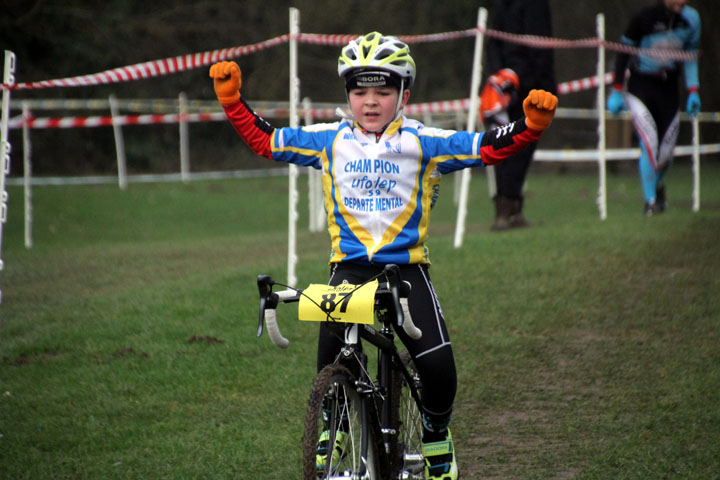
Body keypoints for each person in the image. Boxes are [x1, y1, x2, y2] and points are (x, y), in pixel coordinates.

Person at [209, 32, 557, 480]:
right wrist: (232, 100)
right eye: (359, 91)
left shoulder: (422, 141)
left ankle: (435, 433)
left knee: (437, 367)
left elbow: (485, 147)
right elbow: (266, 140)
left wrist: (529, 126)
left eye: (383, 91)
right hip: (349, 269)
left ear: (404, 94)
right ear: (347, 95)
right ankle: (330, 427)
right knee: (331, 355)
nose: (370, 102)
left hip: (406, 270)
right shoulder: (328, 140)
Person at [607, 0, 701, 216]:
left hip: (669, 88)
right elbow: (623, 53)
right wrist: (617, 90)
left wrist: (693, 90)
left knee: (666, 151)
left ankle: (657, 186)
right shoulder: (644, 17)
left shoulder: (691, 20)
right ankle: (650, 202)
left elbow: (691, 56)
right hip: (642, 86)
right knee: (649, 141)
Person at [480, 0, 557, 230]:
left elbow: (492, 45)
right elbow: (539, 45)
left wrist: (499, 76)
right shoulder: (534, 6)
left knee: (506, 144)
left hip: (506, 85)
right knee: (519, 146)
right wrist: (547, 85)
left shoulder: (502, 6)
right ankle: (506, 209)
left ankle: (510, 209)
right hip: (527, 86)